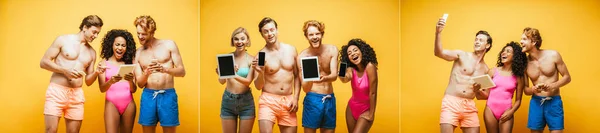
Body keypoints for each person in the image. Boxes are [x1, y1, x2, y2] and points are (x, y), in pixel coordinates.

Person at [40, 15, 104, 133]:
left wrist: (96, 72)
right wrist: (65, 71)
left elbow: (88, 81)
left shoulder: (92, 52)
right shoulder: (63, 40)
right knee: (51, 130)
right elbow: (43, 62)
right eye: (94, 32)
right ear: (85, 27)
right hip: (57, 92)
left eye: (98, 33)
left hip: (76, 95)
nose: (96, 36)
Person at [434, 17, 493, 133]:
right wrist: (438, 33)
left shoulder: (486, 69)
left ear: (487, 45)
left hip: (469, 106)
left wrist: (477, 90)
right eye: (476, 39)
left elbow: (483, 96)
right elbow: (438, 53)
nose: (477, 41)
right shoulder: (461, 55)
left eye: (481, 40)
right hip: (451, 102)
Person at [132, 15, 186, 133]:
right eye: (138, 33)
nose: (140, 37)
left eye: (144, 34)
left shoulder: (169, 45)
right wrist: (146, 73)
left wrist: (164, 69)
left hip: (168, 94)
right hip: (148, 96)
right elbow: (140, 84)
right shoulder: (138, 53)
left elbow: (182, 72)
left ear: (152, 32)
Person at [252, 17, 300, 133]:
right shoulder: (260, 55)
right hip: (268, 101)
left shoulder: (291, 50)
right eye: (266, 31)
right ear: (262, 34)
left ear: (277, 30)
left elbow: (297, 75)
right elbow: (258, 86)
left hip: (288, 101)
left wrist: (296, 97)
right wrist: (260, 71)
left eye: (272, 30)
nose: (270, 34)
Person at [520, 27, 571, 133]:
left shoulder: (553, 55)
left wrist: (553, 86)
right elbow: (525, 90)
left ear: (533, 41)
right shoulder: (524, 63)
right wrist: (533, 89)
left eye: (524, 39)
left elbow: (567, 77)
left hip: (554, 102)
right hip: (536, 103)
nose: (521, 42)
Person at [297, 20, 339, 133]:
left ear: (322, 34)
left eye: (317, 33)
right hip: (313, 99)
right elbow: (305, 89)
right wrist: (310, 76)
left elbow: (334, 75)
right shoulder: (302, 57)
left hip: (330, 98)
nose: (314, 37)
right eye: (311, 34)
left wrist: (324, 78)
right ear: (306, 36)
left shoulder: (332, 50)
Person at [476, 42, 527, 133]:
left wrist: (511, 112)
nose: (503, 53)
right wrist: (477, 90)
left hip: (507, 110)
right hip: (490, 110)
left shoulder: (519, 77)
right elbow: (485, 95)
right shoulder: (492, 71)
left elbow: (518, 100)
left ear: (515, 56)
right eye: (503, 51)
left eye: (508, 51)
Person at [216, 27, 256, 133]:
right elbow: (221, 81)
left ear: (247, 41)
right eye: (236, 39)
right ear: (233, 41)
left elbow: (248, 82)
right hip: (228, 100)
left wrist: (232, 73)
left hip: (246, 102)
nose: (239, 42)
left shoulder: (252, 59)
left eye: (242, 39)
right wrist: (222, 72)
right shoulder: (227, 57)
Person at [97, 29, 138, 133]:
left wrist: (130, 81)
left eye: (123, 45)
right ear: (112, 45)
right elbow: (102, 89)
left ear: (127, 47)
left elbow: (133, 90)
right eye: (117, 44)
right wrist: (111, 81)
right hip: (111, 104)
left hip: (129, 104)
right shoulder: (104, 63)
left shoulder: (130, 63)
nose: (120, 48)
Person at [338, 38, 378, 133]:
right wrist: (341, 69)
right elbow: (344, 79)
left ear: (362, 51)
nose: (353, 54)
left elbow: (373, 93)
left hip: (366, 109)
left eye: (355, 50)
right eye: (349, 53)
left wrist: (371, 114)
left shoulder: (370, 67)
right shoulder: (351, 69)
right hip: (351, 109)